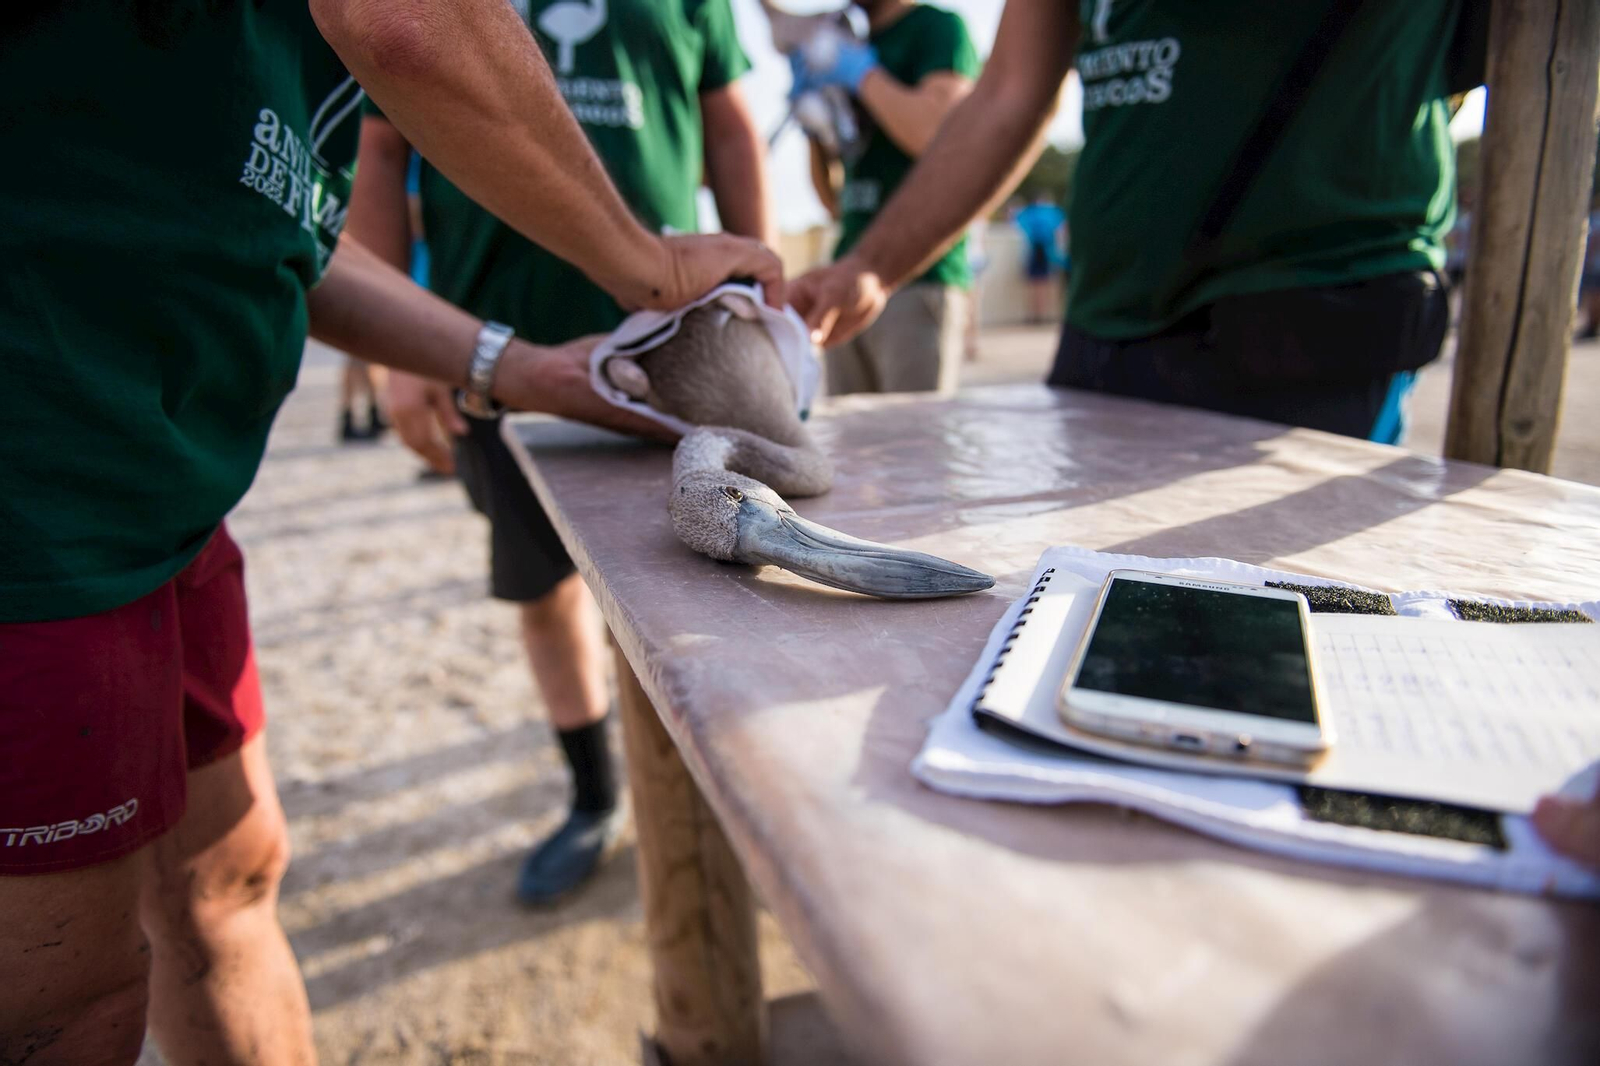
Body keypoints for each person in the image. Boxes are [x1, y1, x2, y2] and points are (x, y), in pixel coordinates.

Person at [0, 0, 782, 1060]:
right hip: (40, 506)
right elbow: (409, 19)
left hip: (168, 509)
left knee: (229, 882)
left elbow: (290, 228)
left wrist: (517, 367)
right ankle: (590, 794)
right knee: (63, 1003)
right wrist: (643, 261)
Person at [347, 0, 773, 906]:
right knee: (541, 587)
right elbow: (381, 140)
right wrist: (403, 351)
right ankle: (592, 795)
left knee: (706, 593)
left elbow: (731, 128)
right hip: (493, 342)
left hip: (668, 342)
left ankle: (733, 794)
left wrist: (764, 292)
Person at [792, 0, 1461, 445]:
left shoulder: (933, 29)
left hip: (1311, 316)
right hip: (1106, 323)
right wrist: (869, 266)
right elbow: (1007, 93)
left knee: (1288, 630)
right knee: (1086, 617)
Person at [796, 0, 980, 395]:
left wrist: (862, 75)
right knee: (851, 446)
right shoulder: (847, 37)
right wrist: (815, 127)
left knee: (916, 447)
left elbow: (939, 138)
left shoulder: (936, 28)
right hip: (846, 271)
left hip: (917, 275)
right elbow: (834, 203)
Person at [1012, 192, 1066, 324]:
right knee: (1044, 285)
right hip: (1046, 252)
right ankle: (1043, 315)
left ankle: (1036, 315)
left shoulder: (1029, 212)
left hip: (1035, 251)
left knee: (1035, 285)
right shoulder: (1052, 212)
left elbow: (1016, 224)